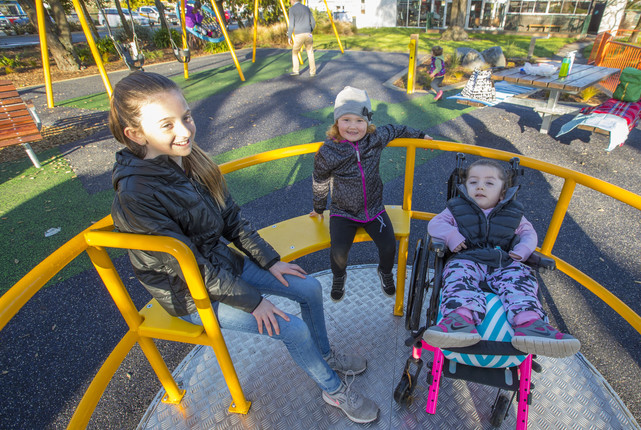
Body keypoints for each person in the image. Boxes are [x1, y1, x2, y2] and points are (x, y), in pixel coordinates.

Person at [108, 72, 379, 424]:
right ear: (135, 134)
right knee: (292, 328)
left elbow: (232, 220)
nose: (185, 130)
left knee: (309, 288)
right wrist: (254, 302)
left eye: (186, 117)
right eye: (168, 124)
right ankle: (334, 390)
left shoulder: (189, 161)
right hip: (189, 292)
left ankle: (325, 355)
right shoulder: (136, 194)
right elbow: (189, 265)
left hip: (219, 266)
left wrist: (269, 262)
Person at [423, 158, 580, 358]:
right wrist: (452, 236)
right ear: (465, 187)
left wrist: (523, 249)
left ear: (503, 192)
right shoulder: (456, 208)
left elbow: (528, 233)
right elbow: (435, 224)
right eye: (473, 182)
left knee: (520, 278)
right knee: (458, 277)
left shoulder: (513, 213)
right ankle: (459, 320)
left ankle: (530, 324)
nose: (480, 186)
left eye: (489, 183)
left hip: (503, 261)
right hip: (468, 257)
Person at [310, 86, 433, 302]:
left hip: (374, 209)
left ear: (368, 122)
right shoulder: (328, 151)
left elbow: (397, 129)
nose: (353, 126)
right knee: (338, 252)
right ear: (336, 122)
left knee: (388, 246)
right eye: (346, 120)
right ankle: (339, 277)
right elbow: (319, 179)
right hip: (343, 212)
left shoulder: (375, 139)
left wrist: (421, 135)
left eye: (359, 121)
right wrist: (319, 207)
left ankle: (385, 272)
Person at [287, 0, 316, 77]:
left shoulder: (292, 9)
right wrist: (310, 30)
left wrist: (289, 36)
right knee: (310, 52)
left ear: (293, 0)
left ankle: (296, 70)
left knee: (295, 52)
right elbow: (313, 22)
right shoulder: (307, 8)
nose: (290, 2)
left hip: (299, 34)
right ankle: (312, 72)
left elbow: (291, 25)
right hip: (308, 34)